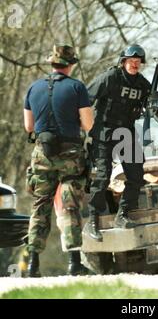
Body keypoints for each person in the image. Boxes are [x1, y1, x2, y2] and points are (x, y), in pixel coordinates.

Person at [24, 44, 93, 277]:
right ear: (70, 64)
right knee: (70, 205)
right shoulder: (77, 88)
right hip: (70, 156)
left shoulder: (33, 88)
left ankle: (33, 264)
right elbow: (88, 124)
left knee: (40, 205)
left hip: (42, 154)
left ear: (51, 63)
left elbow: (28, 127)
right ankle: (74, 263)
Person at [86, 44, 158, 241]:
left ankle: (123, 213)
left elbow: (157, 109)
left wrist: (157, 102)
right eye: (131, 61)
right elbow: (85, 99)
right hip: (104, 131)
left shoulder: (144, 85)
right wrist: (83, 128)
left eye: (138, 62)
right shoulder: (110, 78)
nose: (134, 64)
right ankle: (92, 219)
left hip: (126, 132)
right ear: (123, 61)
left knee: (136, 174)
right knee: (102, 176)